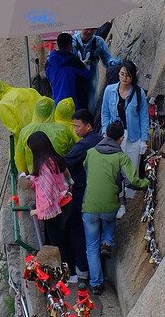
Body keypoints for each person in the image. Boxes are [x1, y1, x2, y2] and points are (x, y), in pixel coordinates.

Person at [81, 120, 148, 293]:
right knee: (110, 219)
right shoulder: (121, 157)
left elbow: (85, 168)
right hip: (110, 206)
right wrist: (147, 181)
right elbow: (132, 181)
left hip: (89, 206)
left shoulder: (90, 153)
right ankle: (107, 241)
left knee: (91, 246)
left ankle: (96, 284)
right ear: (120, 139)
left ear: (104, 135)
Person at [62, 106, 103, 286]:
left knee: (80, 233)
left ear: (88, 126)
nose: (75, 129)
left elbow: (65, 161)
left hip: (83, 195)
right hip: (103, 195)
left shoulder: (84, 144)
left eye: (78, 126)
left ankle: (83, 272)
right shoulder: (101, 140)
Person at [27, 131, 74, 269]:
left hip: (57, 210)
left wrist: (38, 210)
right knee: (68, 240)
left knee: (57, 244)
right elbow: (68, 180)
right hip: (68, 202)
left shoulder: (44, 167)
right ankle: (73, 273)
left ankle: (63, 274)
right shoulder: (56, 159)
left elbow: (48, 194)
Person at [100, 60, 149, 172]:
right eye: (122, 74)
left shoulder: (138, 92)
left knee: (131, 170)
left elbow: (144, 116)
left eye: (128, 75)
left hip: (133, 136)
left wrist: (144, 139)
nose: (124, 78)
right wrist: (105, 131)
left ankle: (131, 190)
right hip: (114, 135)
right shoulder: (109, 90)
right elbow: (105, 113)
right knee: (115, 169)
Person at [73, 27, 119, 117]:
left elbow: (107, 58)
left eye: (92, 29)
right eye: (87, 29)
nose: (89, 32)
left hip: (91, 77)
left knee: (91, 102)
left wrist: (113, 62)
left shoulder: (99, 42)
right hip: (75, 77)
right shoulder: (72, 41)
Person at [44, 33, 91, 114]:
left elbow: (48, 77)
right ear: (70, 45)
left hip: (57, 104)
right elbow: (88, 75)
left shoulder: (48, 63)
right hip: (75, 104)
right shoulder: (73, 61)